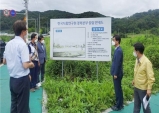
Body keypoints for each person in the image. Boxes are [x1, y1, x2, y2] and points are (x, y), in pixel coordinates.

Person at [3, 20, 34, 113]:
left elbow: (4, 62)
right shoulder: (22, 45)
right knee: (23, 106)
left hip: (12, 79)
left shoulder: (8, 44)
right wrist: (31, 64)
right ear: (23, 31)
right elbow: (25, 65)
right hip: (22, 80)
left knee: (14, 104)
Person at [132, 43, 155, 113]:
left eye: (134, 50)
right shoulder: (137, 59)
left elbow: (151, 77)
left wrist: (149, 89)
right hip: (136, 87)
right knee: (136, 106)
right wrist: (134, 80)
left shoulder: (147, 62)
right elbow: (137, 72)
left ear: (137, 51)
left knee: (146, 108)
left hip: (143, 89)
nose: (133, 52)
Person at [110, 35, 124, 111]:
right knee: (119, 89)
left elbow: (118, 63)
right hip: (118, 73)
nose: (112, 41)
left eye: (113, 40)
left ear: (117, 41)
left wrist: (115, 74)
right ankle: (120, 104)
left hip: (117, 74)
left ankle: (118, 106)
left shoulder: (118, 51)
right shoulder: (117, 49)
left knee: (117, 89)